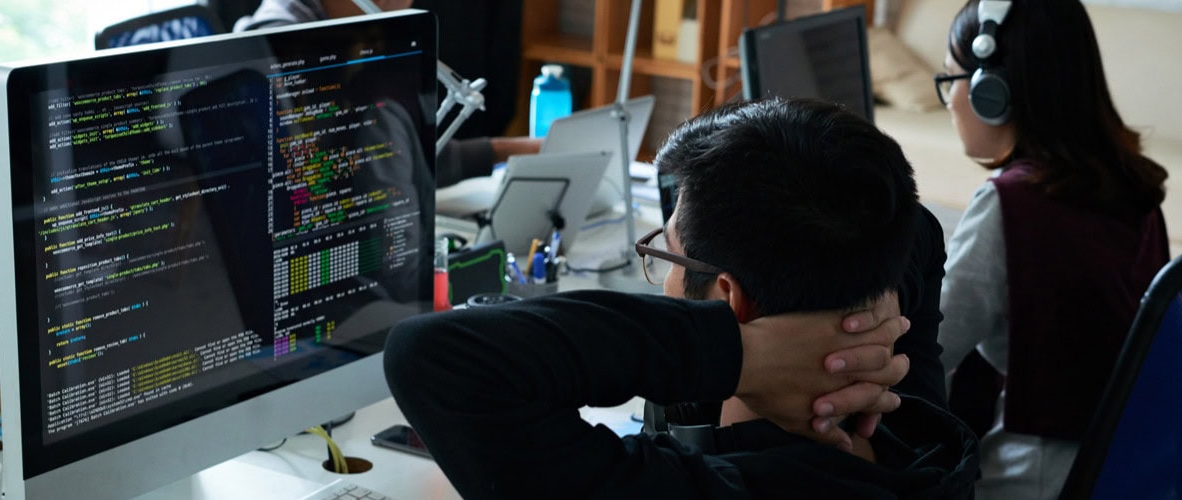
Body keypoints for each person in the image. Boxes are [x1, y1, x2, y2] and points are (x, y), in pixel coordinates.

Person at [385, 98, 979, 498]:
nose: (662, 276)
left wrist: (740, 355)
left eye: (667, 254)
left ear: (728, 300)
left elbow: (433, 356)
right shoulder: (915, 425)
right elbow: (919, 230)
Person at [934, 1, 1171, 498]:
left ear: (991, 92)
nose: (949, 100)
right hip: (1123, 470)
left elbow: (927, 346)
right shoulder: (1137, 190)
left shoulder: (1009, 205)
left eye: (951, 79)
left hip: (1031, 481)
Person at [233, 0, 541, 188]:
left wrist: (512, 150)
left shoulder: (342, 31)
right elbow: (368, 161)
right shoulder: (284, 50)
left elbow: (393, 152)